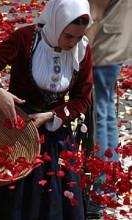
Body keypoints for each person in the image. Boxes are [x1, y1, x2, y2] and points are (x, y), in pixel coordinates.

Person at [0, 0, 93, 219]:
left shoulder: (82, 49)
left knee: (56, 198)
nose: (73, 43)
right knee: (17, 200)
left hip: (54, 127)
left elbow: (82, 99)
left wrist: (52, 115)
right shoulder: (27, 39)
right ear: (56, 25)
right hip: (19, 126)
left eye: (78, 37)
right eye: (68, 36)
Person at [85, 0, 132, 217]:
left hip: (102, 41)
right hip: (116, 38)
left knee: (101, 116)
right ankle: (108, 189)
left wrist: (84, 43)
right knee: (107, 114)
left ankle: (101, 192)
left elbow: (96, 10)